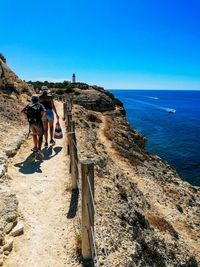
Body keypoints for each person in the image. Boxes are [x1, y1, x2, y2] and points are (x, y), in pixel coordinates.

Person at [22, 95, 46, 159]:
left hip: (31, 122)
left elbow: (22, 111)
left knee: (34, 134)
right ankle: (39, 149)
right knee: (40, 136)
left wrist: (27, 117)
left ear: (32, 100)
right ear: (38, 99)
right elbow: (44, 111)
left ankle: (35, 147)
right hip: (38, 122)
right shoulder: (40, 105)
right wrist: (41, 117)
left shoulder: (29, 105)